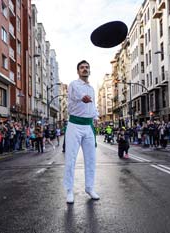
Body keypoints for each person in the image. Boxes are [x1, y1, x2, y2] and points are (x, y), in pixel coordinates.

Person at [64, 60, 100, 204]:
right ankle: (69, 190)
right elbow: (75, 95)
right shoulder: (74, 84)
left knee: (91, 159)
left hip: (88, 126)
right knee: (70, 159)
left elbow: (93, 105)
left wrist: (96, 116)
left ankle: (89, 188)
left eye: (87, 67)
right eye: (82, 68)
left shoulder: (91, 88)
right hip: (74, 125)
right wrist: (82, 97)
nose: (84, 69)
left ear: (89, 70)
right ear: (78, 71)